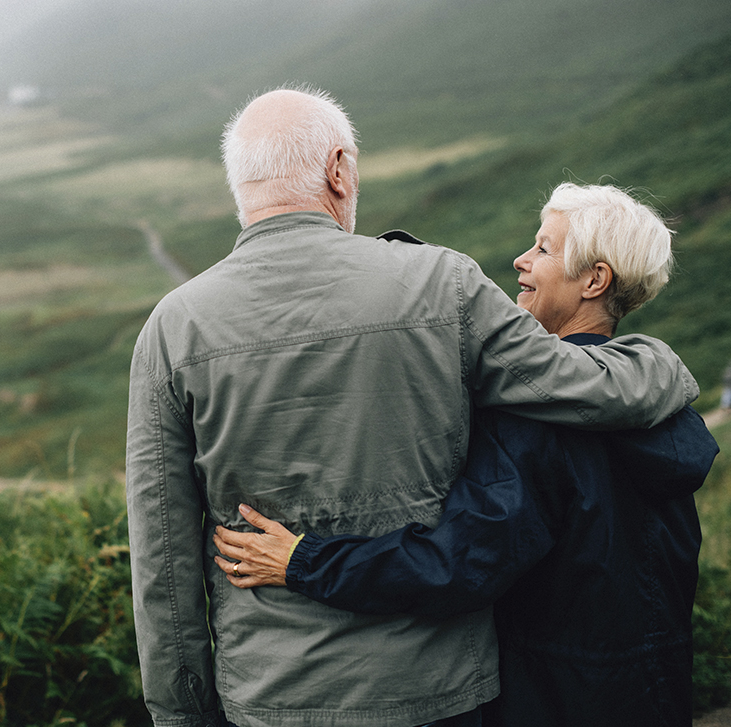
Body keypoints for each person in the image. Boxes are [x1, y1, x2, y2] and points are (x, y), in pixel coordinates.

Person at [125, 87, 700, 727]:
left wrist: (181, 713)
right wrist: (660, 362)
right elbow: (582, 386)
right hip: (443, 691)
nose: (524, 259)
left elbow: (163, 563)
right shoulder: (442, 283)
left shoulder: (171, 329)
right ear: (339, 169)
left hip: (270, 695)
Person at [212, 182, 720, 726]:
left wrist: (303, 561)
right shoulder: (663, 409)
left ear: (595, 280)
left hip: (554, 701)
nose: (521, 261)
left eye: (544, 249)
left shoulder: (541, 423)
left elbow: (458, 565)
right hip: (654, 693)